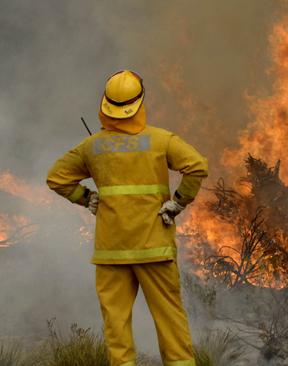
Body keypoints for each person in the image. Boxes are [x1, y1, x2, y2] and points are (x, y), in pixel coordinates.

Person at [47, 70, 208, 366]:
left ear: (105, 104)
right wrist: (177, 203)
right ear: (140, 103)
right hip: (154, 249)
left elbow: (56, 178)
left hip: (111, 252)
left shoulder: (91, 146)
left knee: (116, 328)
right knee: (170, 321)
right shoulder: (161, 140)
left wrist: (86, 198)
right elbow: (197, 166)